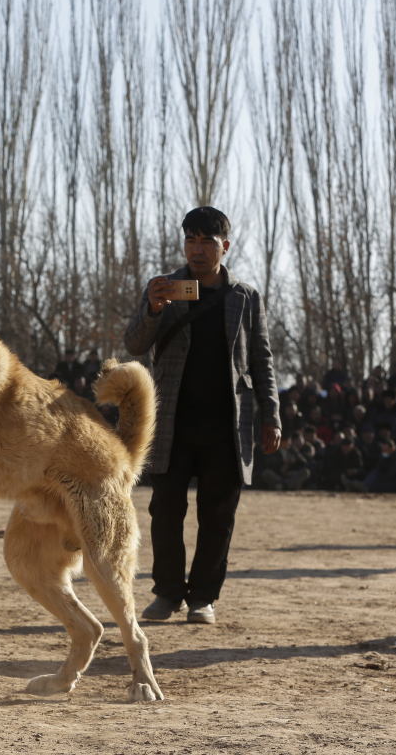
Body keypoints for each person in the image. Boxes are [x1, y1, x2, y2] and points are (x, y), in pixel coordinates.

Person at [124, 206, 280, 625]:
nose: (197, 249)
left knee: (218, 515)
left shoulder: (245, 297)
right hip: (171, 420)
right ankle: (167, 593)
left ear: (224, 247)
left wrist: (272, 416)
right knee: (166, 510)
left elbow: (261, 359)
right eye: (190, 240)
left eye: (206, 241)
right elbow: (136, 344)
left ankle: (202, 598)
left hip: (228, 427)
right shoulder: (165, 288)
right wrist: (154, 308)